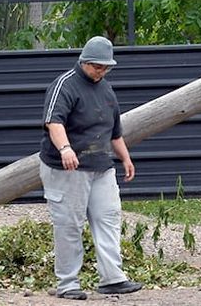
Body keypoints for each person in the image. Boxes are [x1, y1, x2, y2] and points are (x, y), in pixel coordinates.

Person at [39, 36, 143, 300]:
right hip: (68, 169)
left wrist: (126, 158)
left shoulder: (106, 89)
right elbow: (54, 122)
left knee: (108, 218)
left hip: (101, 166)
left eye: (106, 68)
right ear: (84, 61)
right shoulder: (65, 85)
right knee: (69, 224)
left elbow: (114, 131)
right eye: (97, 67)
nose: (101, 72)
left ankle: (112, 278)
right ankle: (68, 283)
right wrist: (65, 149)